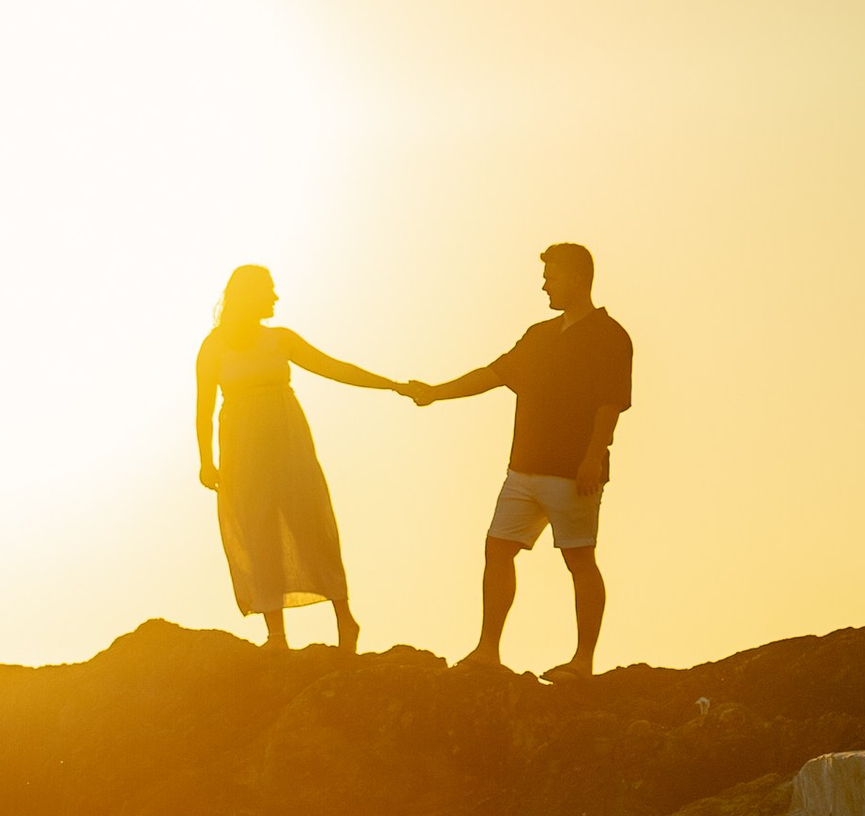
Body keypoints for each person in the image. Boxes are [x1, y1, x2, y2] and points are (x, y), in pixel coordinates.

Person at [408, 245, 633, 678]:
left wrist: (592, 459)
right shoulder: (539, 335)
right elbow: (494, 375)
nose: (544, 284)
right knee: (497, 549)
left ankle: (582, 661)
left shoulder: (610, 335)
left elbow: (611, 405)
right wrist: (436, 392)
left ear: (576, 277)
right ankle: (487, 651)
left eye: (551, 275)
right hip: (523, 469)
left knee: (579, 560)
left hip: (573, 472)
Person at [196, 264, 412, 654]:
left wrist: (391, 385)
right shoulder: (213, 347)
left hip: (287, 441)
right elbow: (203, 408)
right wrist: (205, 461)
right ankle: (276, 635)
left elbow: (334, 368)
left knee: (308, 521)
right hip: (242, 448)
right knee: (258, 529)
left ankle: (345, 618)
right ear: (248, 295)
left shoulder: (280, 339)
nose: (276, 298)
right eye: (269, 290)